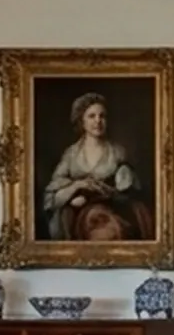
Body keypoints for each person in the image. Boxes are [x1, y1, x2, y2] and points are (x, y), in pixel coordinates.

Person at [41, 92, 153, 242]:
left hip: (112, 211)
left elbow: (129, 191)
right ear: (82, 121)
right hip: (77, 215)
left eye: (102, 116)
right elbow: (53, 193)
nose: (98, 121)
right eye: (92, 116)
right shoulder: (72, 154)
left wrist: (119, 185)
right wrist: (75, 191)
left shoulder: (117, 152)